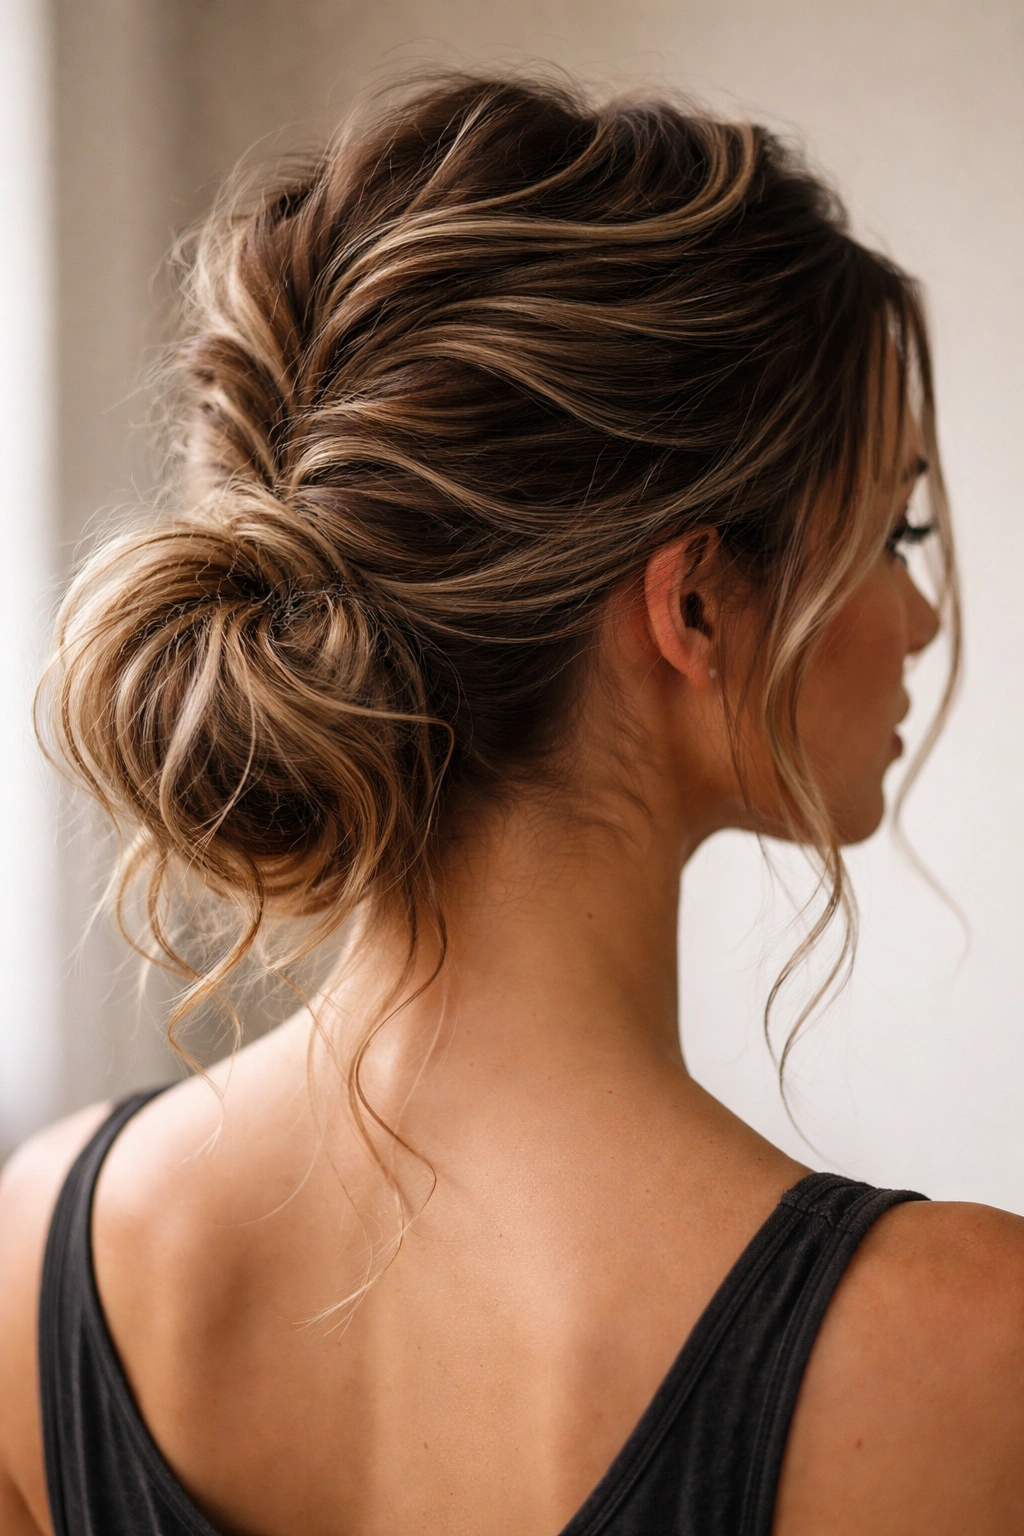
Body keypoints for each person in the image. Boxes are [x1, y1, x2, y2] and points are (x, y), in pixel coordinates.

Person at [1, 72, 1022, 1536]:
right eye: (895, 530)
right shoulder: (960, 1357)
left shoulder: (42, 1253)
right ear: (695, 607)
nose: (919, 620)